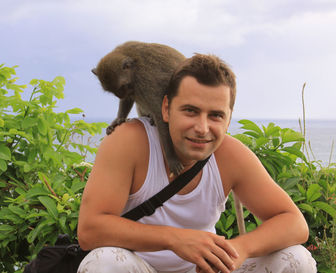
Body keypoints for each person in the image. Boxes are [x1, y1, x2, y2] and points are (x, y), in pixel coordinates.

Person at [77, 54, 317, 273]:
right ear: (166, 109)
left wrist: (236, 250)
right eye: (190, 111)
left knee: (297, 259)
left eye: (215, 115)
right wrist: (175, 239)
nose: (202, 129)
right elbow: (90, 231)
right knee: (103, 262)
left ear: (228, 119)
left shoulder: (230, 155)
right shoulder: (129, 141)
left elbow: (294, 223)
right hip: (139, 267)